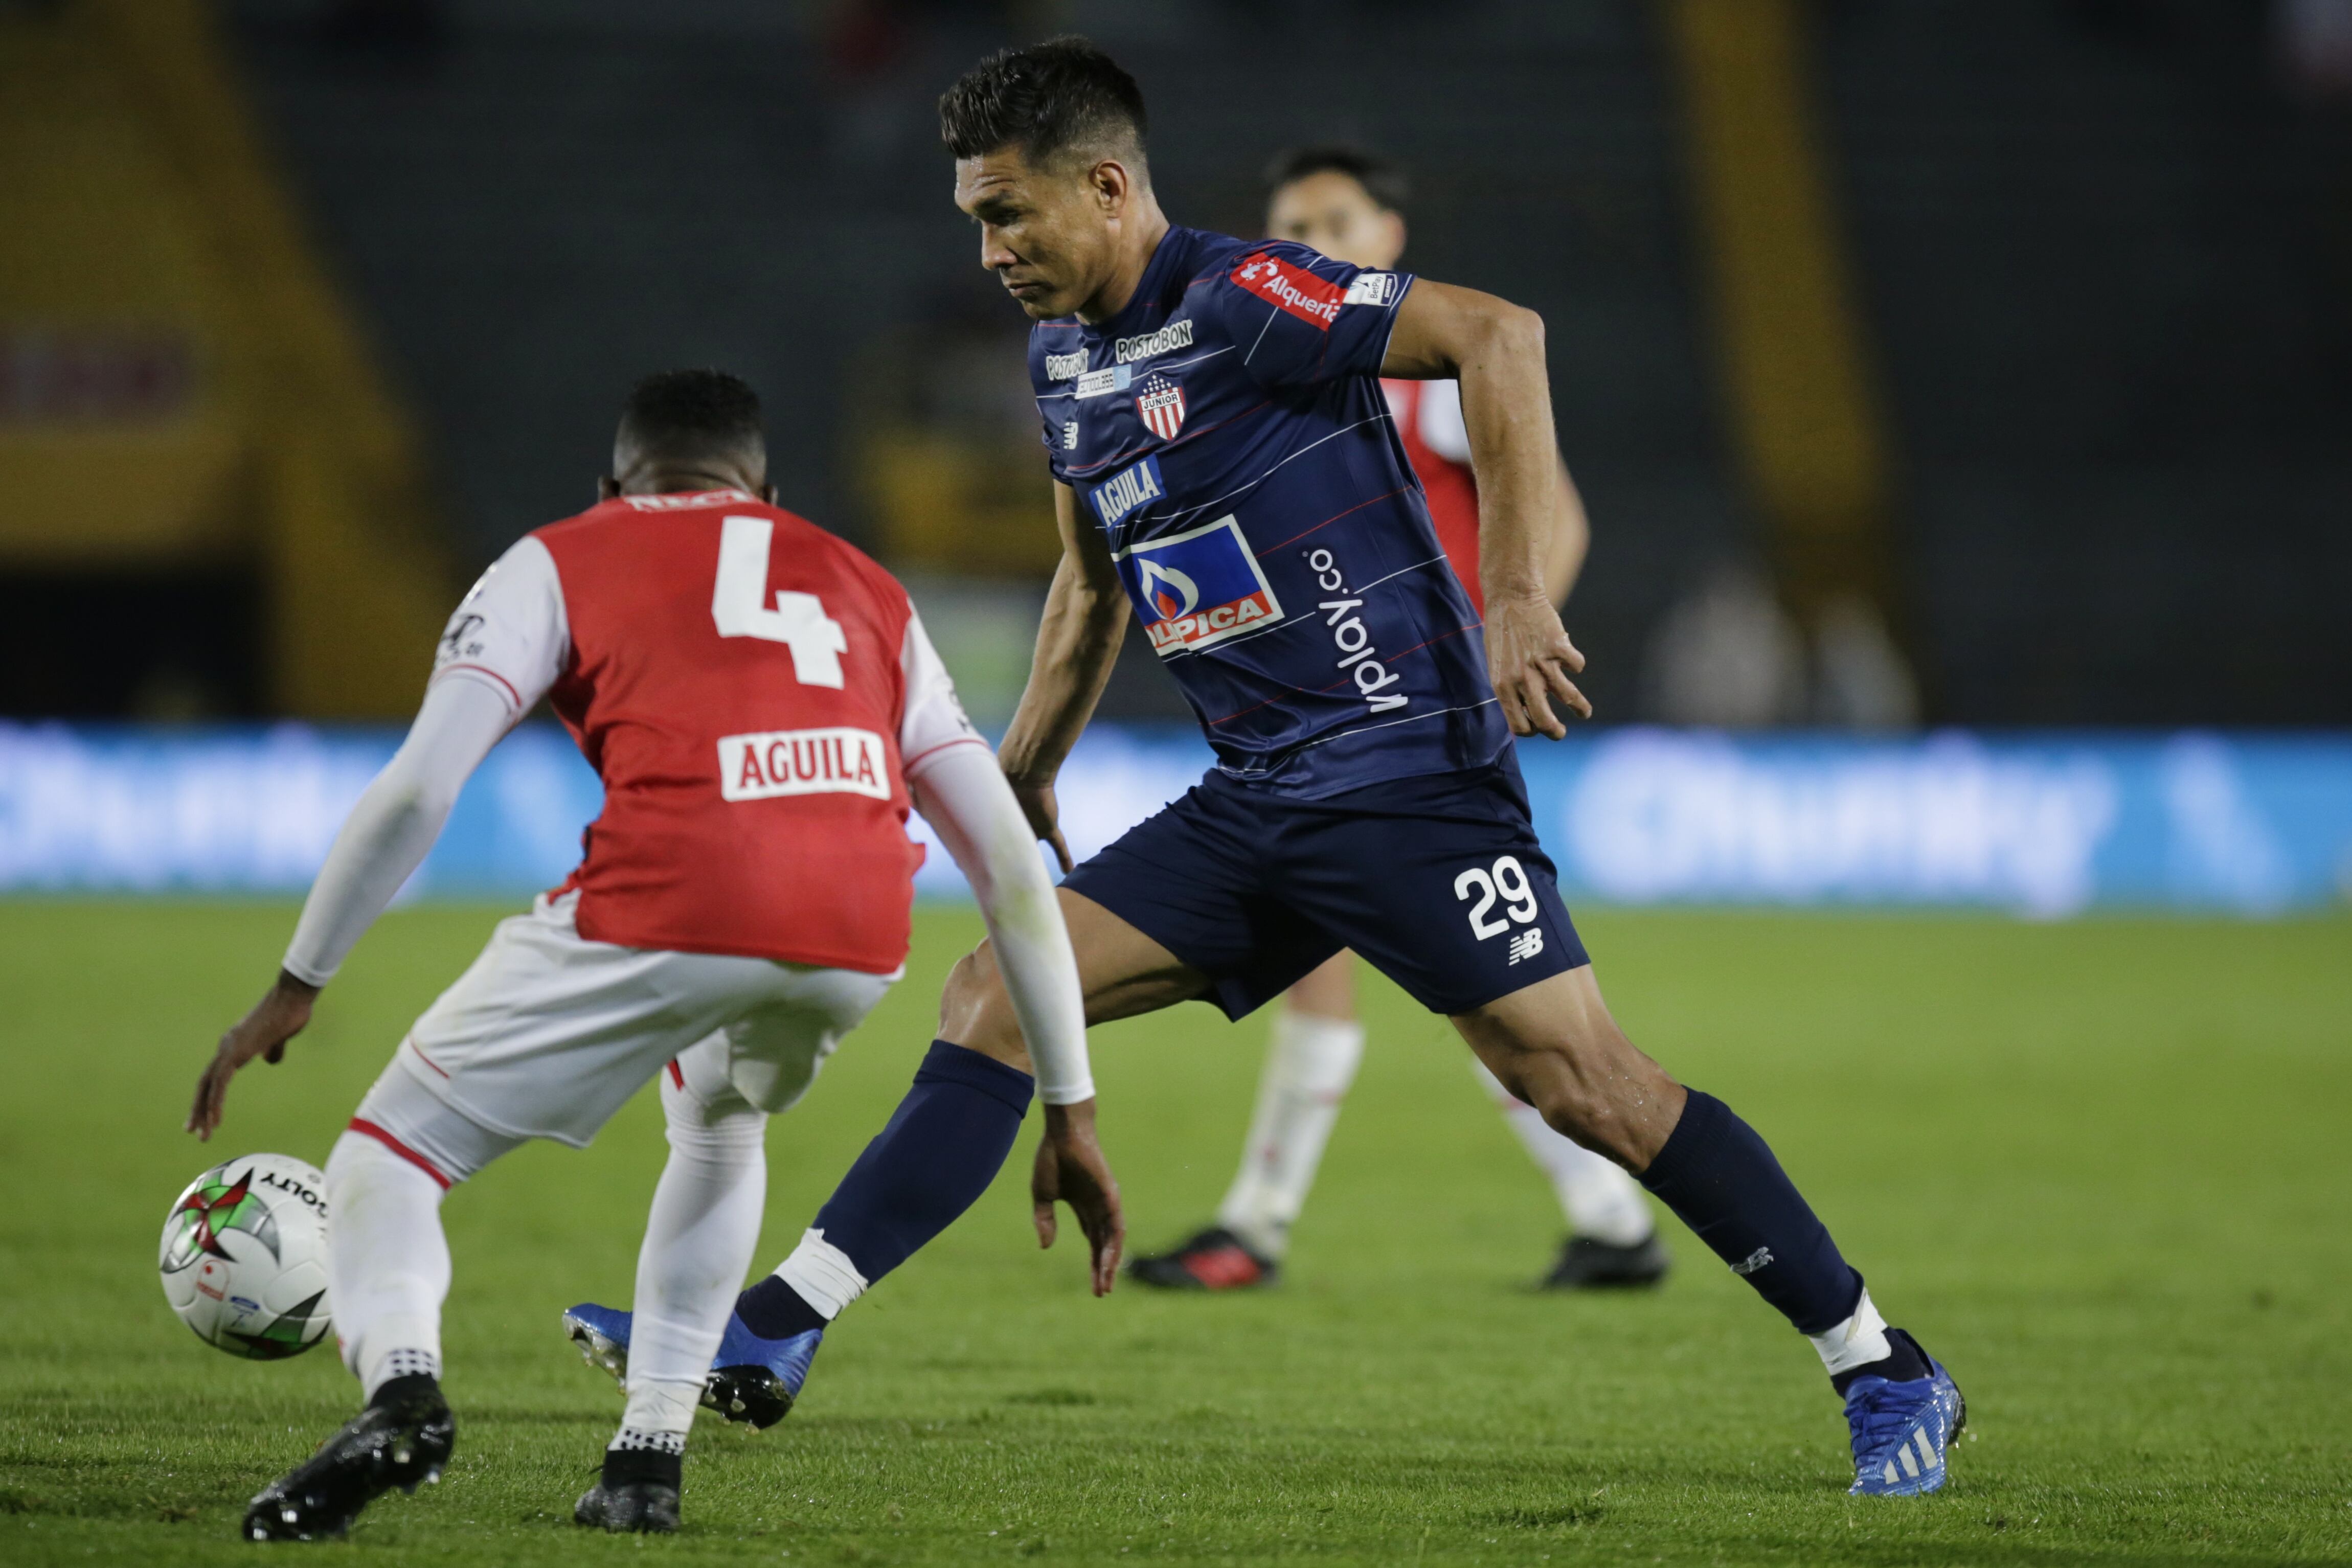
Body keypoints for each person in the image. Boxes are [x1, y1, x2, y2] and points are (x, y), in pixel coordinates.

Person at [934, 37, 1963, 1494]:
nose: (987, 249)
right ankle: (768, 1318)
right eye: (1299, 226)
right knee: (1006, 987)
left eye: (1004, 213)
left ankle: (1879, 1359)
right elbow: (1095, 576)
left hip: (1414, 757)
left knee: (1577, 1076)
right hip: (1273, 776)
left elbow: (1504, 356)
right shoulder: (1123, 358)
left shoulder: (1311, 332)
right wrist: (1024, 756)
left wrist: (1519, 594)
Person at [185, 370, 1119, 1540]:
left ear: (611, 486)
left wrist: (297, 982)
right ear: (765, 492)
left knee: (388, 1153)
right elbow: (1006, 861)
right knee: (722, 1122)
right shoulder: (866, 585)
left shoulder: (561, 557)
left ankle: (402, 1394)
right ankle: (644, 1463)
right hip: (854, 926)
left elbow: (421, 784)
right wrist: (1069, 1106)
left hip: (676, 887)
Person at [1125, 145, 1668, 1295]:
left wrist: (1506, 637)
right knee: (1454, 989)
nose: (1312, 240)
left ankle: (1261, 1227)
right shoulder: (1282, 380)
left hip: (1420, 722)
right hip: (1332, 721)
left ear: (1389, 241)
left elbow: (1556, 516)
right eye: (1291, 224)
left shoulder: (1424, 379)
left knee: (1480, 992)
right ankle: (1604, 1217)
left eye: (1336, 217)